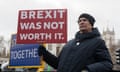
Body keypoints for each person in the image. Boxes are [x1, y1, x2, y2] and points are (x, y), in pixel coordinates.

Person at [38, 13, 113, 72]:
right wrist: (45, 54)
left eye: (84, 20)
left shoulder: (98, 42)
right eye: (79, 21)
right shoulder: (69, 43)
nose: (81, 22)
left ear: (91, 24)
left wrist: (88, 70)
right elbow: (57, 64)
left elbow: (107, 64)